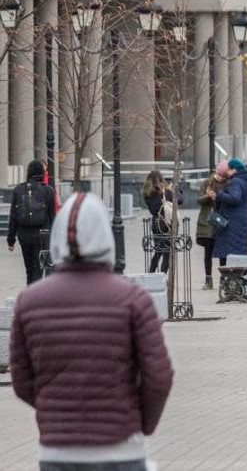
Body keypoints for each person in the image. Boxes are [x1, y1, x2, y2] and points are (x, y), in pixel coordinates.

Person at [9, 192, 174, 470]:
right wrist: (140, 423)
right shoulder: (133, 299)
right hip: (120, 449)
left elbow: (22, 380)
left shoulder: (30, 302)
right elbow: (158, 376)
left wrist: (55, 411)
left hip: (57, 451)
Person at [6, 160, 57, 285]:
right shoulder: (48, 191)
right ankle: (36, 298)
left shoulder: (18, 190)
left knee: (29, 270)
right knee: (38, 269)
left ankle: (30, 295)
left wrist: (11, 240)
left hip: (24, 235)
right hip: (41, 236)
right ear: (41, 173)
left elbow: (13, 216)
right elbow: (52, 216)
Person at [213, 158, 247, 267]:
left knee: (227, 255)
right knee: (239, 254)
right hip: (243, 222)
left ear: (234, 170)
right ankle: (236, 281)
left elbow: (235, 198)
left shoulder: (235, 181)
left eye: (228, 169)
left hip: (231, 224)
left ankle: (225, 281)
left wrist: (219, 194)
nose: (227, 172)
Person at [142, 170, 182, 274]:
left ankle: (151, 273)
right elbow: (180, 200)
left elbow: (154, 209)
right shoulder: (164, 192)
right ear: (160, 179)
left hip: (156, 224)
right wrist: (174, 190)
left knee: (158, 250)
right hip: (166, 224)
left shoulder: (147, 193)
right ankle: (163, 275)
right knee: (167, 252)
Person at [195, 162, 228, 290]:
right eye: (217, 174)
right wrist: (207, 196)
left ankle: (223, 280)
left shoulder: (227, 184)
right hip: (208, 222)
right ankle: (208, 280)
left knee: (222, 253)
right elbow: (199, 200)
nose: (219, 176)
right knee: (208, 252)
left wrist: (218, 196)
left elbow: (228, 200)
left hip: (220, 221)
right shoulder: (207, 183)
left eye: (221, 174)